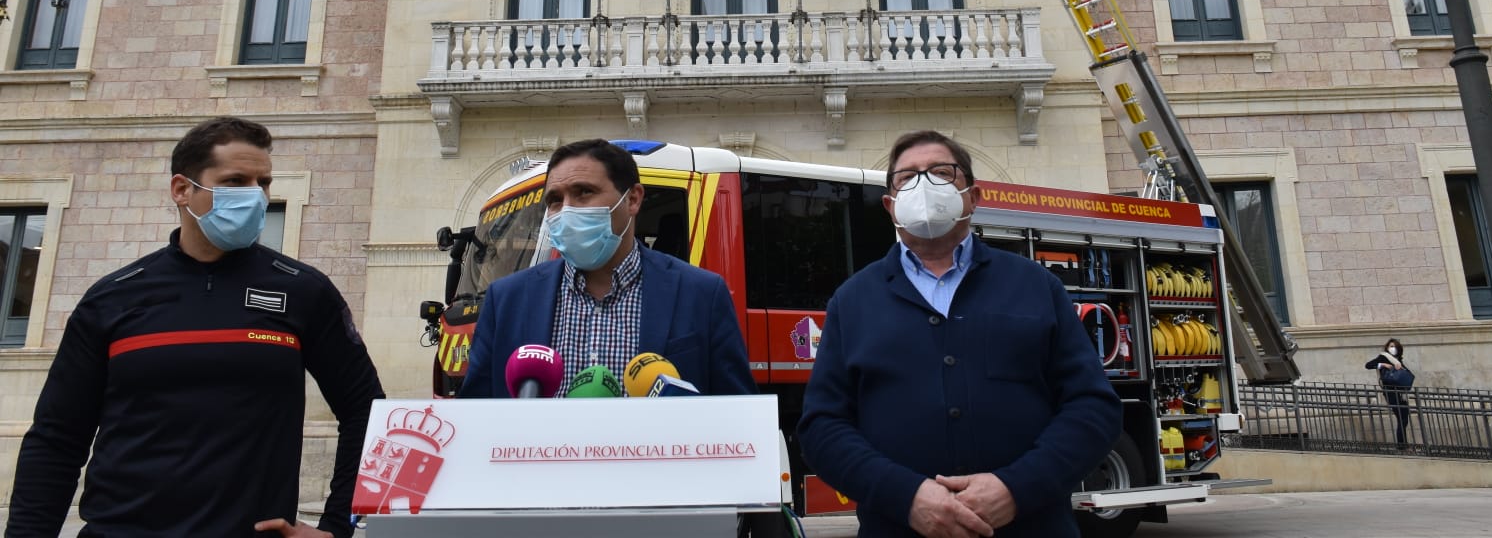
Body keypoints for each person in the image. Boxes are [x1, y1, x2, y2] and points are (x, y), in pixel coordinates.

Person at [6, 117, 384, 538]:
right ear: (182, 190)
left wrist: (338, 527)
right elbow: (57, 437)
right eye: (235, 181)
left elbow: (367, 412)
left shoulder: (304, 291)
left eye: (263, 183)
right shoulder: (112, 298)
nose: (255, 196)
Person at [798, 130, 1122, 538]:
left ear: (973, 195)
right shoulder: (852, 300)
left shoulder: (1036, 286)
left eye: (941, 172)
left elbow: (1093, 407)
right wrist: (906, 497)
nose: (924, 185)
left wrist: (1016, 488)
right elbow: (823, 427)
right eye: (907, 178)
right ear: (890, 205)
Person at [460, 138, 755, 397]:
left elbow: (737, 414)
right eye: (554, 200)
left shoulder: (702, 294)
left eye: (583, 192)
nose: (567, 210)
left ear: (633, 199)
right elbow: (476, 414)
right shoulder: (507, 300)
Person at [1365, 337, 1414, 447]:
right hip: (1390, 392)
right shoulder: (1384, 357)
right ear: (1387, 347)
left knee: (1404, 418)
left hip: (1401, 393)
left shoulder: (1398, 360)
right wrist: (1383, 365)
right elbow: (1368, 365)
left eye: (1395, 346)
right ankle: (1402, 446)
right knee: (1402, 418)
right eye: (1391, 346)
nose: (1393, 348)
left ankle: (1403, 444)